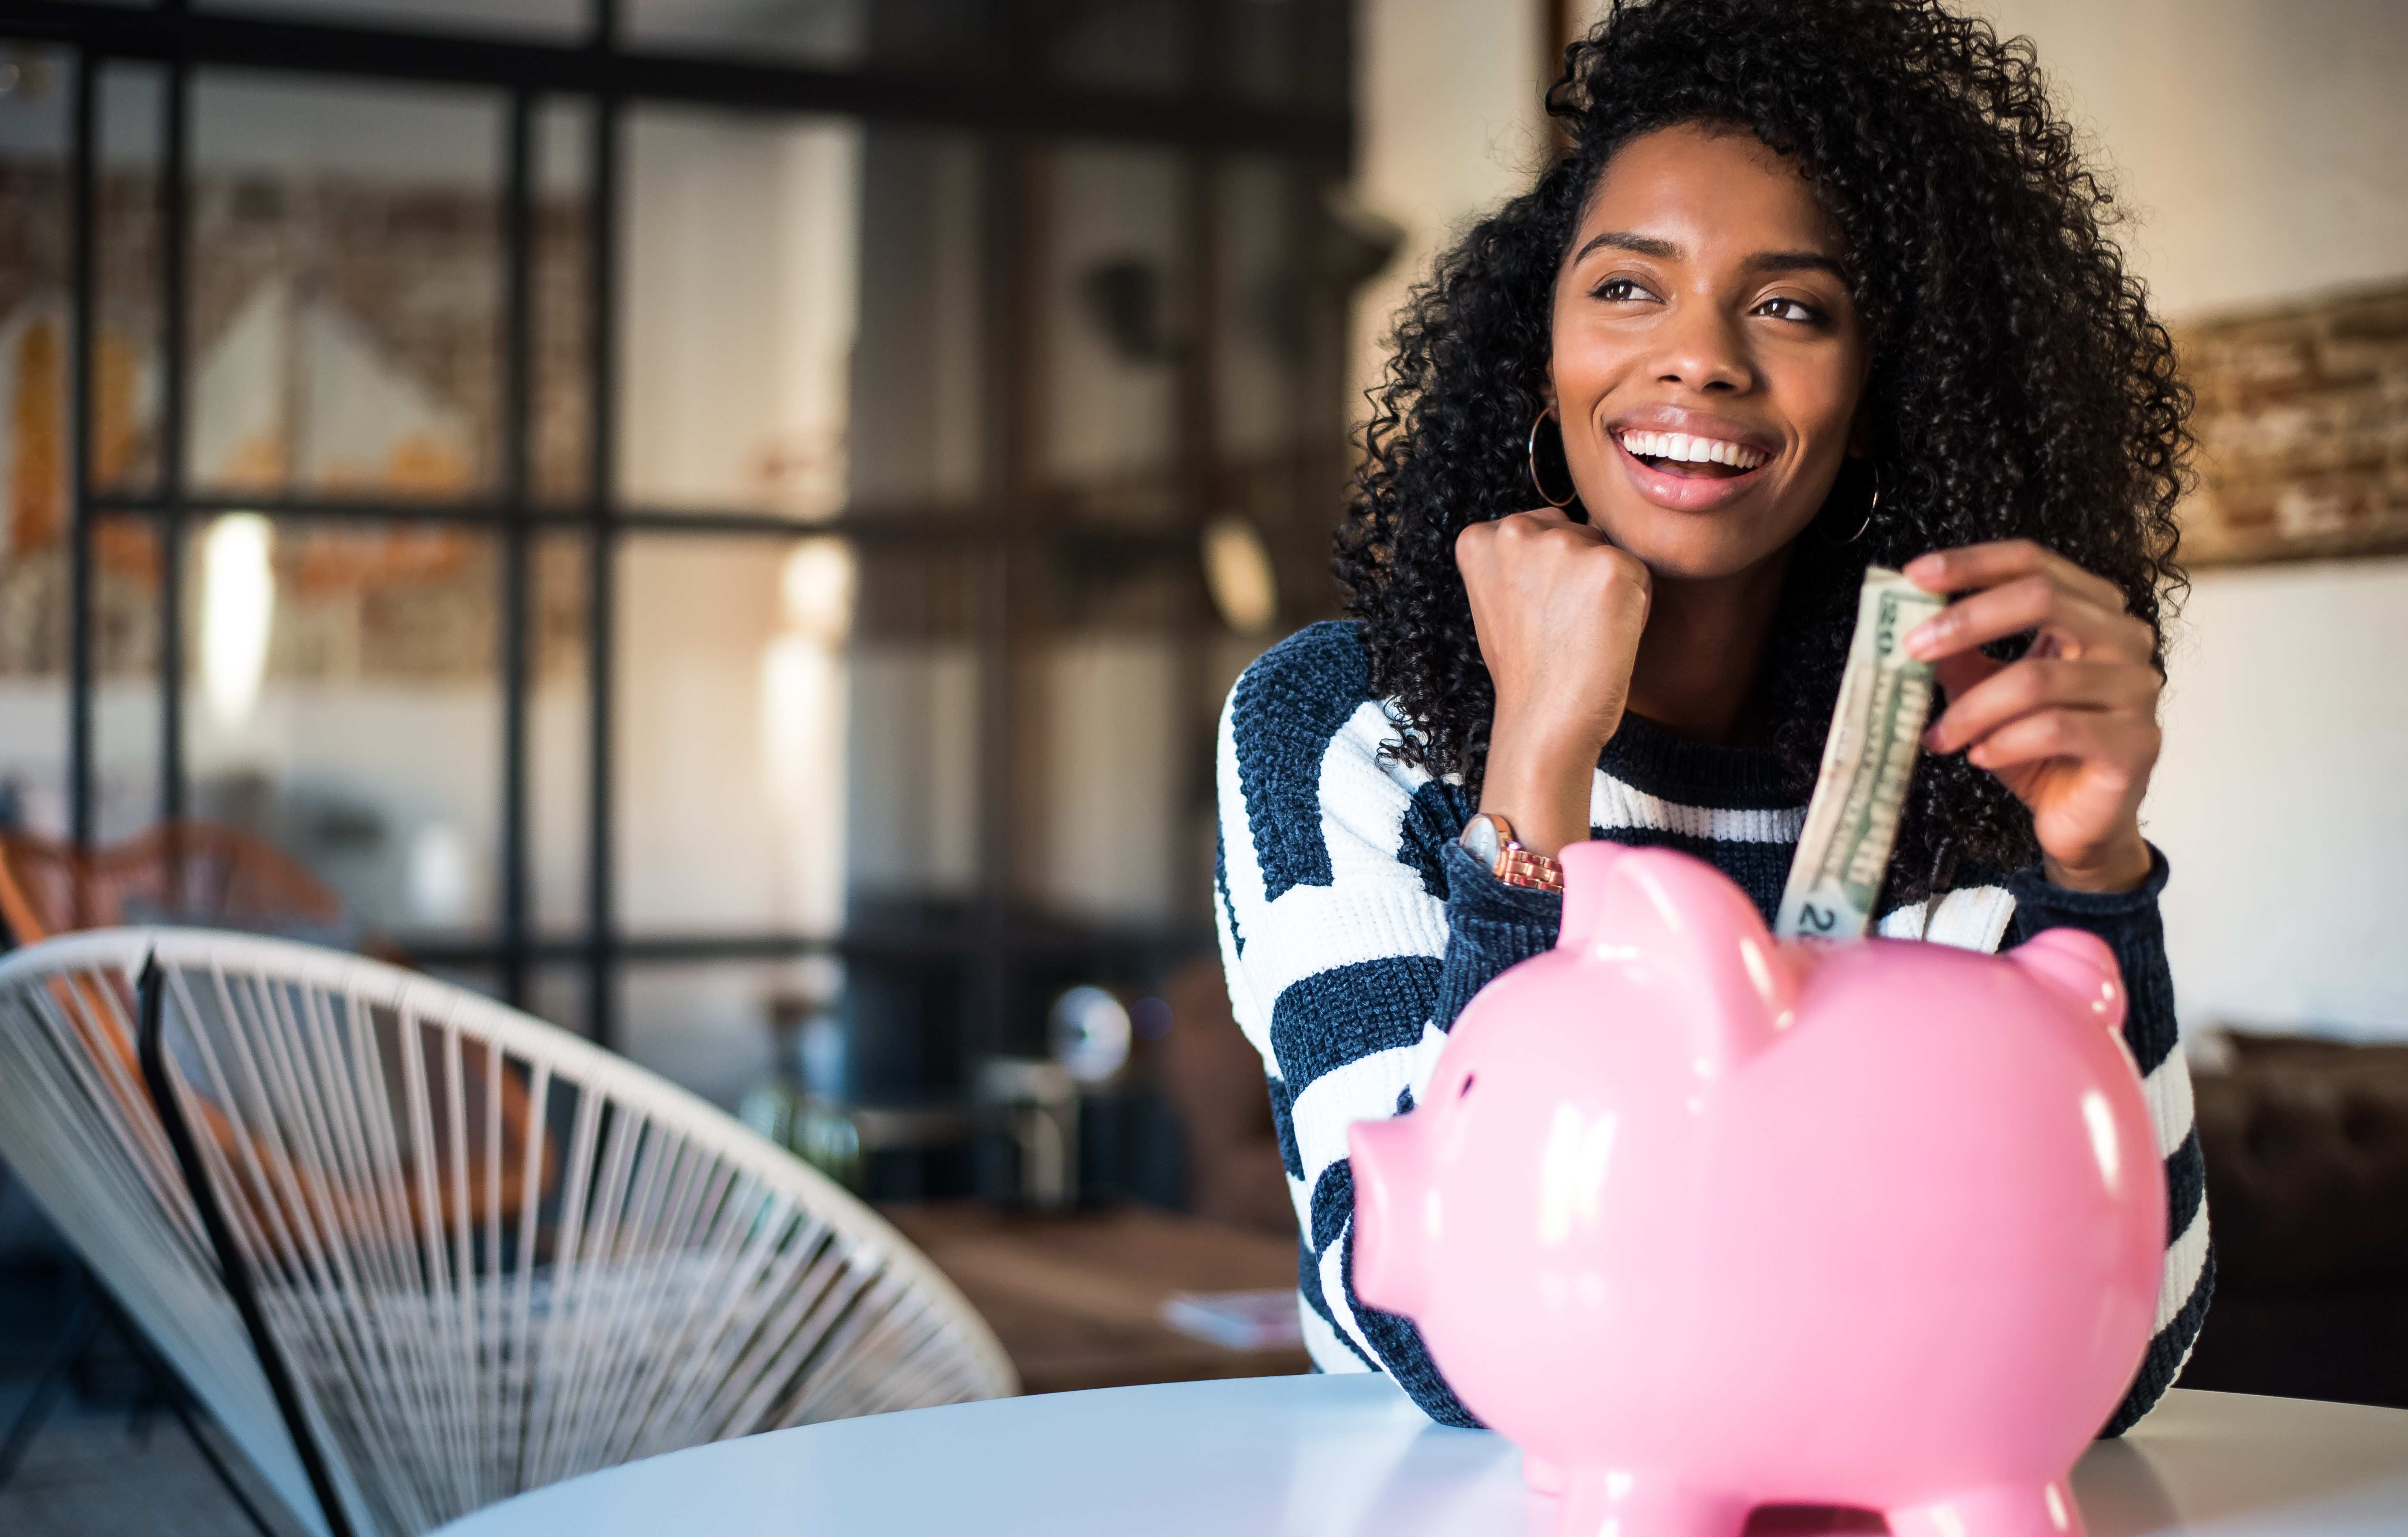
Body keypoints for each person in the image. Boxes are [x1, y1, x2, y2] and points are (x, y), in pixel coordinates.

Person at [1213, 0, 2209, 1435]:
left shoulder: (1955, 742)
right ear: (1533, 350)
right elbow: (1423, 1328)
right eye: (1627, 287)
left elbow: (2115, 1363)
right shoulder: (1346, 727)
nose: (1700, 358)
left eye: (1791, 306)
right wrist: (1536, 762)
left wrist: (2095, 881)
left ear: (1872, 398)